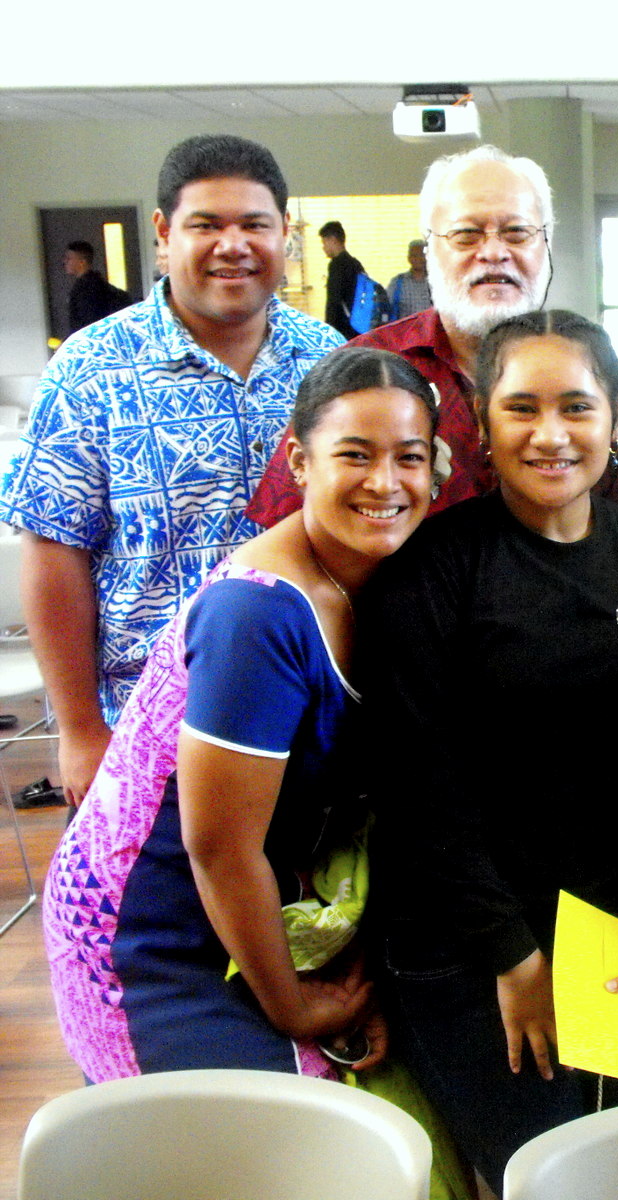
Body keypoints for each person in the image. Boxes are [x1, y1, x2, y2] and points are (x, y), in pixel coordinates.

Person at [362, 310, 618, 1186]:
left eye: (577, 407)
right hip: (472, 942)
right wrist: (512, 957)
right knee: (541, 1176)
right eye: (522, 408)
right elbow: (420, 786)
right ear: (480, 419)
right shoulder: (434, 568)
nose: (551, 435)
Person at [42, 344, 437, 1083]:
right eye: (355, 454)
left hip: (258, 909)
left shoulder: (390, 578)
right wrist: (295, 1010)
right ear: (298, 462)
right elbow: (218, 847)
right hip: (147, 933)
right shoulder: (257, 614)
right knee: (261, 1147)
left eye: (409, 458)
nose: (385, 482)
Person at [0, 134, 343, 806]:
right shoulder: (92, 368)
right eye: (206, 225)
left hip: (304, 723)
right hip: (147, 735)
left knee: (304, 909)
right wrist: (79, 730)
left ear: (285, 232)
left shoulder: (327, 361)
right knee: (155, 912)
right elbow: (52, 553)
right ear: (163, 233)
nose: (233, 244)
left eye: (254, 224)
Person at [248, 143, 618, 526]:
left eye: (516, 233)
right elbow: (287, 527)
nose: (493, 253)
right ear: (429, 249)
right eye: (466, 235)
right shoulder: (364, 369)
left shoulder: (592, 377)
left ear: (546, 242)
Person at [63, 240, 130, 334]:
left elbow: (87, 322)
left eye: (69, 258)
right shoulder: (94, 283)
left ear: (82, 262)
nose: (65, 262)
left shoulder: (88, 289)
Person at [320, 220, 366, 339]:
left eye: (324, 242)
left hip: (343, 330)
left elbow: (334, 301)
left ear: (333, 240)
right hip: (358, 326)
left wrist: (328, 330)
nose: (323, 247)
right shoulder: (355, 264)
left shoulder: (336, 265)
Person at [387, 238, 432, 321]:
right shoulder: (397, 283)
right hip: (405, 332)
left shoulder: (437, 282)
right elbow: (387, 310)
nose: (418, 259)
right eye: (414, 255)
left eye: (421, 255)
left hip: (430, 332)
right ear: (409, 258)